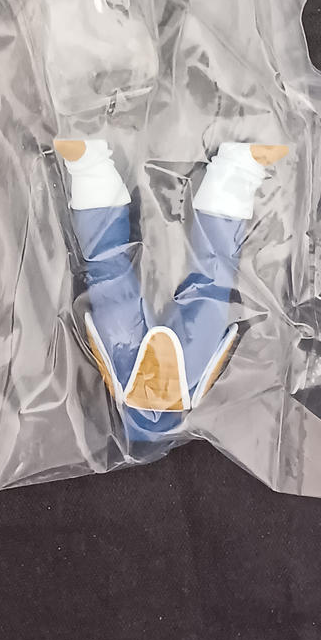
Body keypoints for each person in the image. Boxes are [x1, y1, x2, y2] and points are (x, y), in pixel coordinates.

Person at [54, 138, 288, 439]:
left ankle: (90, 166)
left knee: (110, 275)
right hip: (179, 381)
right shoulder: (191, 382)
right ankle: (237, 170)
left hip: (132, 369)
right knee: (211, 280)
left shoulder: (126, 379)